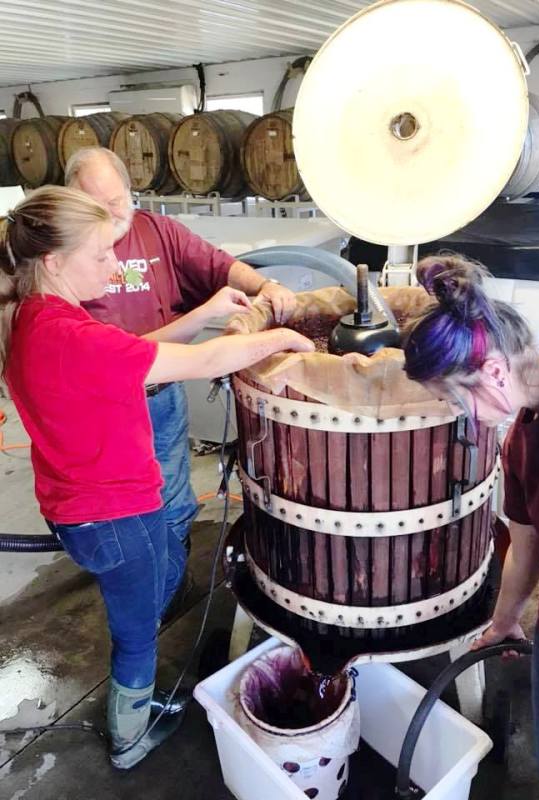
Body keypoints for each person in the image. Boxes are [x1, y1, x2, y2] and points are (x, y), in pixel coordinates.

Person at [0, 186, 313, 769]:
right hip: (114, 512)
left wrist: (209, 315)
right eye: (100, 255)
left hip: (79, 504)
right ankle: (129, 736)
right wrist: (282, 338)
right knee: (138, 629)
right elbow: (204, 363)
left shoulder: (36, 318)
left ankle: (134, 714)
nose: (114, 267)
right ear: (53, 262)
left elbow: (133, 350)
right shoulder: (68, 334)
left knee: (137, 612)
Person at [403, 254, 539, 800]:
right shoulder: (519, 439)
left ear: (492, 372)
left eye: (452, 397)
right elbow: (527, 542)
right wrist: (504, 620)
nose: (454, 411)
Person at [64, 147, 297, 556]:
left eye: (116, 202)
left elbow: (218, 264)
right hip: (97, 407)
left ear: (130, 191)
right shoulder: (64, 258)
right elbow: (119, 357)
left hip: (159, 399)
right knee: (111, 508)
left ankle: (167, 579)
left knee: (168, 493)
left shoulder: (158, 231)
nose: (110, 216)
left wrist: (263, 286)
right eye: (94, 206)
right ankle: (137, 573)